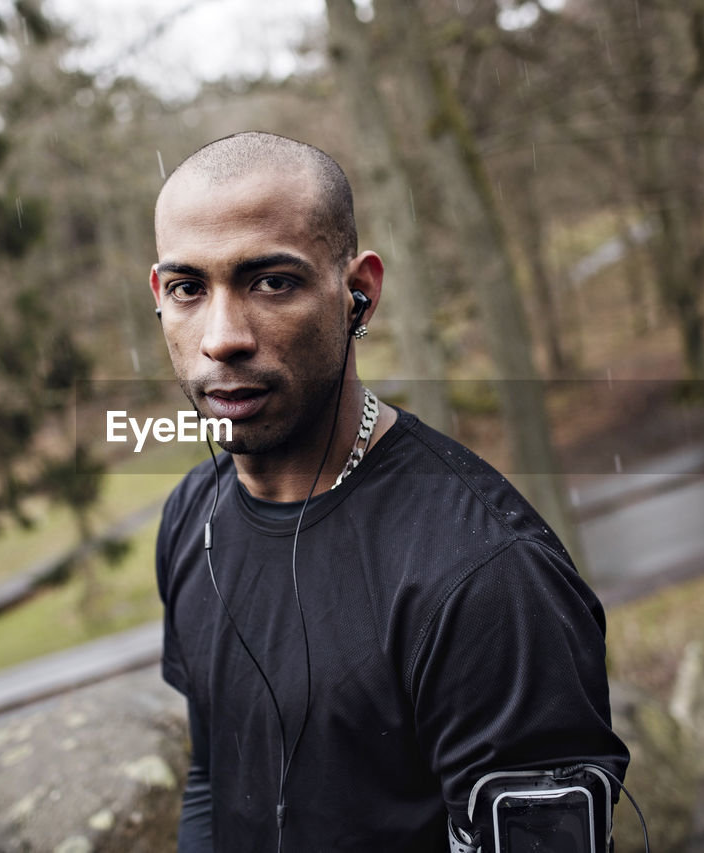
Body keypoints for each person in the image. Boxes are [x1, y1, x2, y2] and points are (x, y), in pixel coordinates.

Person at [149, 131, 629, 852]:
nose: (223, 337)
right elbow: (214, 776)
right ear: (160, 297)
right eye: (190, 288)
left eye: (271, 281)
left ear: (359, 293)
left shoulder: (488, 577)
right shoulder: (193, 518)